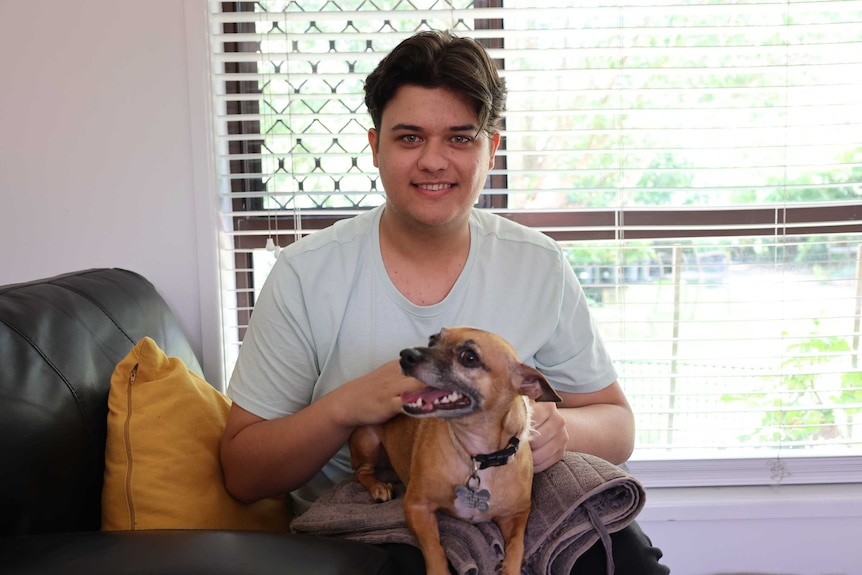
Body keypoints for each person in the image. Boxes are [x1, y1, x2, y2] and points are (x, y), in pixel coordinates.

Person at [220, 29, 668, 574]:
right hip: (371, 520)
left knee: (630, 557)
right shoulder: (304, 274)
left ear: (491, 149)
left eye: (460, 138)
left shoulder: (538, 264)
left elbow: (618, 425)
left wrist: (561, 428)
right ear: (375, 146)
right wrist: (348, 405)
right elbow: (242, 474)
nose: (434, 161)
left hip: (507, 496)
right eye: (409, 138)